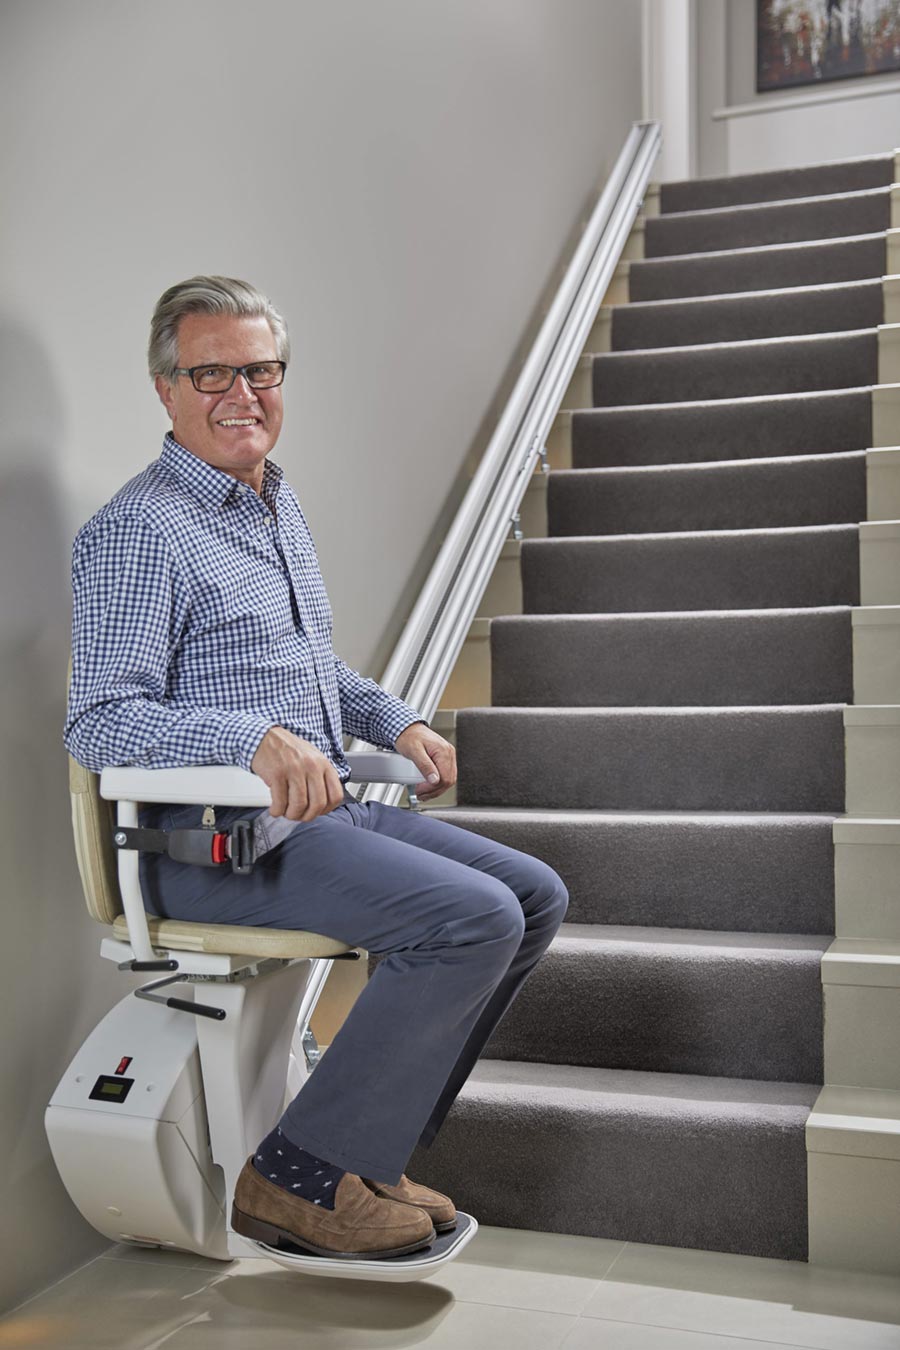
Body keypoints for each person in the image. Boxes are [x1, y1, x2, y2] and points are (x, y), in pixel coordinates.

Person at [64, 275, 569, 1260]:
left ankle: (364, 1155)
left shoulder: (271, 504)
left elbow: (307, 668)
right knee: (472, 917)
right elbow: (101, 722)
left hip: (314, 817)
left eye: (260, 370)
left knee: (533, 896)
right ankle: (296, 1177)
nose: (241, 394)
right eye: (211, 374)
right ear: (166, 388)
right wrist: (249, 739)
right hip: (206, 843)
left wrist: (394, 719)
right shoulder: (140, 530)